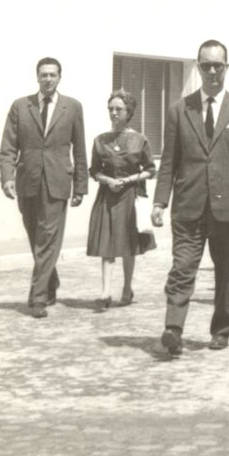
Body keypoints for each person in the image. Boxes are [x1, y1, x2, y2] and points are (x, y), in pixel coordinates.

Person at [151, 40, 229, 355]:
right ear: (198, 67)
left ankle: (222, 329)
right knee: (182, 267)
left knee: (226, 273)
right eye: (206, 65)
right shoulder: (179, 110)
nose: (212, 71)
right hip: (189, 206)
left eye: (218, 65)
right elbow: (169, 160)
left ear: (227, 67)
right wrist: (160, 201)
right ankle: (173, 328)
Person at [0, 57, 88, 319]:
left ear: (60, 77)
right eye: (43, 75)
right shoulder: (20, 106)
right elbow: (8, 147)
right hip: (28, 181)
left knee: (47, 239)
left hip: (58, 182)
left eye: (52, 75)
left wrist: (80, 185)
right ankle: (50, 282)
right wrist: (7, 177)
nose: (48, 79)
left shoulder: (72, 107)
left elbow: (80, 149)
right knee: (36, 236)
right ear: (37, 77)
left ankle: (37, 298)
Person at [86, 89, 156, 309]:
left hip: (130, 196)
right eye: (111, 109)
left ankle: (126, 288)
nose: (114, 113)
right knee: (107, 244)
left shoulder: (139, 139)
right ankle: (105, 292)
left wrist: (129, 180)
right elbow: (94, 170)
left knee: (128, 244)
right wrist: (108, 180)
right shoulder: (100, 140)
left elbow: (151, 169)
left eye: (119, 109)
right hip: (108, 196)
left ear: (129, 112)